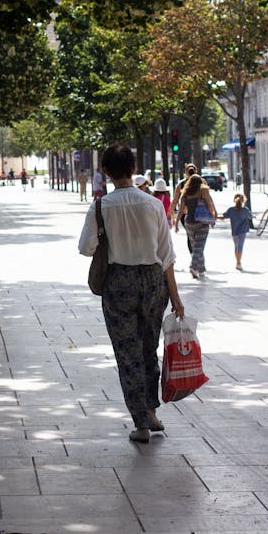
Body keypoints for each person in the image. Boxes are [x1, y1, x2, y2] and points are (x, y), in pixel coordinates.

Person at [78, 144, 184, 443]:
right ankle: (151, 412)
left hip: (119, 281)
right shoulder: (152, 204)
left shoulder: (100, 206)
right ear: (134, 168)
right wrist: (175, 297)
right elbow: (167, 255)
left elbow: (85, 249)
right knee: (149, 347)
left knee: (128, 353)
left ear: (106, 171)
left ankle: (139, 423)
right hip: (152, 281)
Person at [179, 174, 217, 279]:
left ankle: (201, 269)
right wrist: (213, 218)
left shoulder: (185, 193)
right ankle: (193, 266)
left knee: (197, 247)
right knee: (199, 247)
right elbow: (209, 205)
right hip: (202, 222)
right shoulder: (203, 191)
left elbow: (182, 209)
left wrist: (177, 222)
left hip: (189, 222)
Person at [219, 194, 254, 270]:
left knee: (236, 246)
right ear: (243, 200)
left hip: (234, 230)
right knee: (240, 246)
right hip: (243, 231)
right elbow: (250, 217)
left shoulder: (231, 210)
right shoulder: (245, 209)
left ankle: (238, 262)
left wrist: (215, 216)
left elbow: (223, 217)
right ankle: (238, 263)